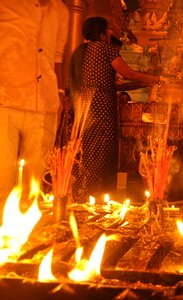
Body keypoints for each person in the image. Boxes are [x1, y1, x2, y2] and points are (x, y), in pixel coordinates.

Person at [70, 16, 159, 201]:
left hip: (84, 109)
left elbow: (112, 84)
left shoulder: (80, 51)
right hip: (101, 108)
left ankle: (83, 195)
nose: (112, 32)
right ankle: (100, 195)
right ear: (101, 33)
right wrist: (153, 79)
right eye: (108, 29)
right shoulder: (104, 48)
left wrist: (144, 84)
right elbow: (128, 73)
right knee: (102, 151)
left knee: (88, 151)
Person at [0, 0, 69, 207]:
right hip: (6, 98)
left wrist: (60, 92)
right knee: (3, 177)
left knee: (34, 181)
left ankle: (24, 235)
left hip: (45, 101)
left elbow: (58, 56)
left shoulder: (61, 11)